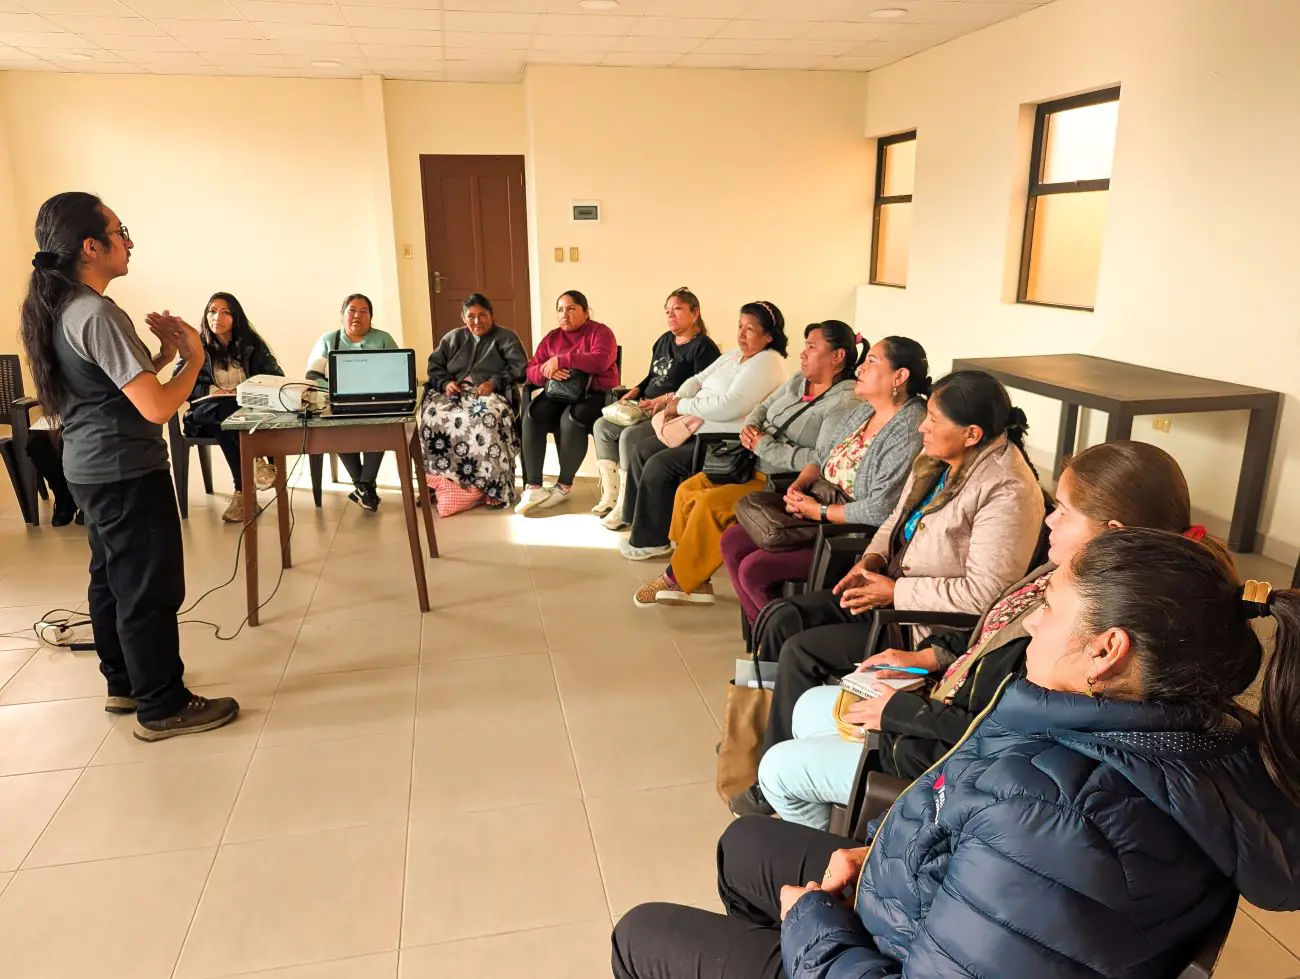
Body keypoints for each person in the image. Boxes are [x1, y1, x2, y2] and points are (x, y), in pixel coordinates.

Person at [611, 528, 1300, 979]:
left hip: (889, 951)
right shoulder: (1190, 733)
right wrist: (878, 850)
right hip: (924, 915)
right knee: (744, 845)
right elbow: (970, 816)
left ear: (1106, 648)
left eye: (1050, 608)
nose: (1031, 620)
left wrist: (811, 924)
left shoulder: (1058, 821)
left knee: (638, 933)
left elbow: (1014, 845)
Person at [759, 440, 1233, 830]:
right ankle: (845, 824)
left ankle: (837, 848)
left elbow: (1006, 731)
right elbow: (991, 635)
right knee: (808, 708)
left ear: (1111, 533)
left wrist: (901, 711)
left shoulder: (1084, 622)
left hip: (957, 756)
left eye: (1063, 512)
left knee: (779, 768)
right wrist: (930, 657)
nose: (1049, 519)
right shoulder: (1061, 570)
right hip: (949, 706)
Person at [731, 369, 1044, 818]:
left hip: (922, 625)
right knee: (782, 616)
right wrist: (871, 562)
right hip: (890, 593)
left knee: (802, 652)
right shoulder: (938, 460)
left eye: (934, 419)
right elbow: (892, 522)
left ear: (972, 433)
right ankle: (771, 735)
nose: (922, 426)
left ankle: (777, 778)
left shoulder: (1007, 489)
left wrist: (895, 591)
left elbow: (985, 595)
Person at [18, 191, 239, 740]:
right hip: (125, 471)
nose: (129, 241)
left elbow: (111, 388)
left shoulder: (63, 306)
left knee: (113, 580)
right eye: (120, 231)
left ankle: (125, 682)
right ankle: (162, 705)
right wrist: (195, 357)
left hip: (92, 468)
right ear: (90, 246)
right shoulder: (95, 312)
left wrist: (163, 356)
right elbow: (159, 406)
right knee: (147, 587)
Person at [633, 321, 859, 608]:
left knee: (711, 504)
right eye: (804, 346)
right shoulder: (799, 380)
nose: (803, 354)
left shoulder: (843, 402)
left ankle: (677, 577)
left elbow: (821, 460)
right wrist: (750, 428)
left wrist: (764, 444)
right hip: (749, 464)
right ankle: (696, 576)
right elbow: (761, 408)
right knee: (689, 490)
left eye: (812, 347)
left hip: (780, 480)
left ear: (837, 356)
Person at [720, 337, 930, 628]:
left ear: (900, 376)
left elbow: (881, 509)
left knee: (755, 568)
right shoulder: (864, 410)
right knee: (732, 540)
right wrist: (800, 486)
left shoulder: (908, 429)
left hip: (850, 537)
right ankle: (769, 643)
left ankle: (780, 641)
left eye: (871, 361)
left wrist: (818, 512)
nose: (859, 369)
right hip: (818, 514)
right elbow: (821, 456)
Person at [617, 301, 788, 560]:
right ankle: (638, 521)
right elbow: (698, 379)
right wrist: (678, 400)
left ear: (769, 336)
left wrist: (683, 405)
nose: (741, 334)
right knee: (641, 449)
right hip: (695, 428)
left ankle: (651, 540)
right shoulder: (733, 356)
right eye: (739, 326)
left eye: (749, 329)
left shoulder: (768, 363)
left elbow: (730, 406)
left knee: (659, 464)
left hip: (723, 443)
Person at [592, 287, 720, 521]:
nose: (670, 315)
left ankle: (627, 505)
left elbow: (702, 391)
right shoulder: (664, 340)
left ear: (695, 313)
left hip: (671, 414)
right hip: (645, 405)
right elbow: (652, 376)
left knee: (628, 436)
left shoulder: (704, 348)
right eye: (667, 310)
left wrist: (665, 401)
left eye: (677, 309)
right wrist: (636, 390)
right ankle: (611, 495)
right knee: (602, 426)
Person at [175, 291, 283, 523]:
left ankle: (244, 495)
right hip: (206, 412)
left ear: (236, 318)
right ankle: (254, 462)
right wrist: (214, 392)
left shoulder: (252, 345)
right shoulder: (196, 346)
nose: (217, 317)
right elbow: (179, 382)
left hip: (244, 411)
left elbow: (276, 377)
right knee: (223, 412)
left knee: (227, 423)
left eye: (225, 312)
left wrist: (246, 391)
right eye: (212, 311)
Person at [419, 293, 527, 514]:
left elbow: (520, 368)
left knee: (486, 419)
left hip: (490, 395)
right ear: (463, 318)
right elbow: (434, 367)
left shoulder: (506, 337)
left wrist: (494, 382)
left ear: (491, 316)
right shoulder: (453, 338)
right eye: (471, 316)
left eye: (482, 315)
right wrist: (446, 382)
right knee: (432, 416)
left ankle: (492, 487)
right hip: (455, 393)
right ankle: (439, 483)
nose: (477, 321)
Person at [516, 290, 620, 515]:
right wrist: (548, 372)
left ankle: (563, 486)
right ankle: (534, 487)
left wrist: (562, 359)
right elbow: (531, 369)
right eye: (560, 310)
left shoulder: (601, 332)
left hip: (594, 394)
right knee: (533, 415)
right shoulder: (552, 337)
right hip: (559, 393)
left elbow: (601, 360)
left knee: (570, 420)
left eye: (571, 308)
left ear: (585, 312)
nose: (565, 314)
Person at [306, 293, 397, 512]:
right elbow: (312, 375)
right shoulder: (329, 340)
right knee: (338, 428)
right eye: (352, 310)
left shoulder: (383, 339)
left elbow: (397, 369)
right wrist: (337, 391)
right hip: (339, 400)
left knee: (379, 426)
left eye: (364, 311)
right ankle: (365, 488)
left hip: (375, 399)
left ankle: (363, 487)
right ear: (342, 315)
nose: (357, 315)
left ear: (371, 317)